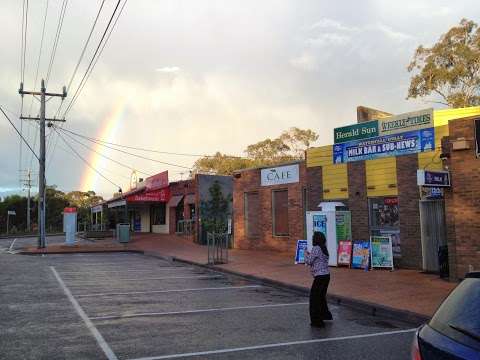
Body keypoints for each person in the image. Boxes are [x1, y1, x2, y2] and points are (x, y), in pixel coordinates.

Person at [305, 231, 333, 327]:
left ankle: (317, 321)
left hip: (320, 277)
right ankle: (326, 315)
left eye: (313, 237)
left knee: (314, 299)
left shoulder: (316, 248)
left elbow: (309, 261)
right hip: (326, 276)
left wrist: (305, 254)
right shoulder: (323, 248)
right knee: (321, 297)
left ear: (316, 239)